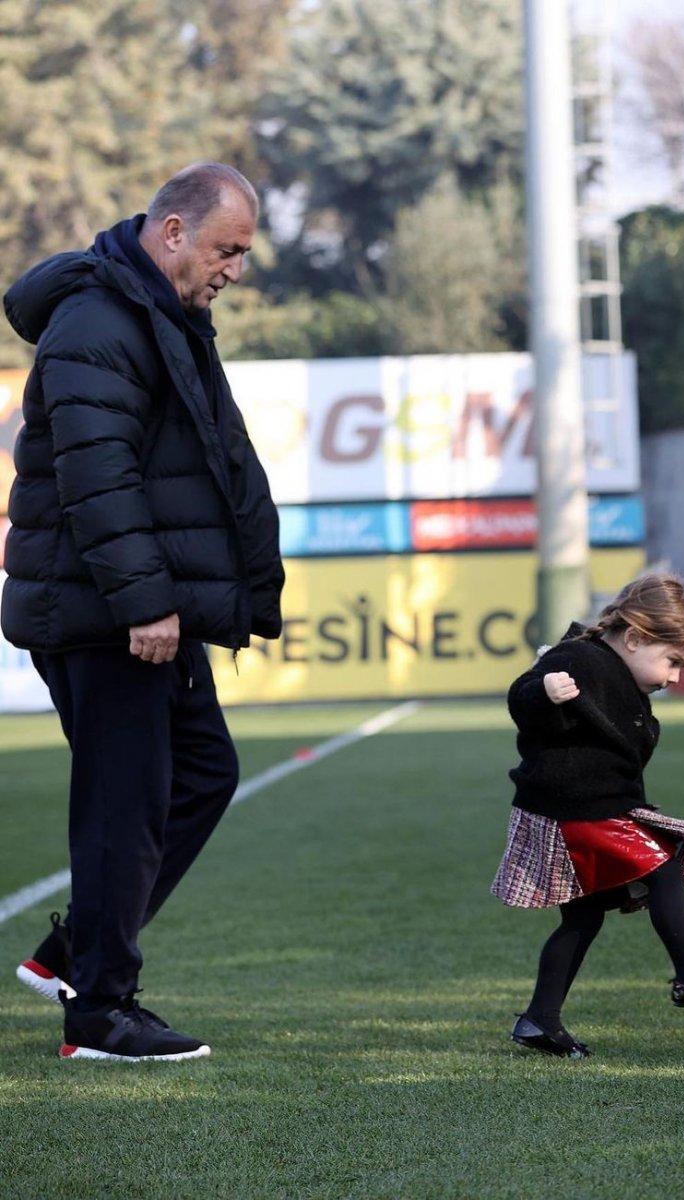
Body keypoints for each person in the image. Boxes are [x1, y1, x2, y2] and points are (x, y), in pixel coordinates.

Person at [2, 162, 284, 1062]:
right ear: (171, 233)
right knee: (122, 808)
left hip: (133, 605)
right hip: (108, 613)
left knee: (202, 771)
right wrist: (149, 602)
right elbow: (97, 477)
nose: (234, 268)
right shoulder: (97, 318)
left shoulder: (159, 313)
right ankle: (101, 1015)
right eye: (225, 249)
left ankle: (76, 955)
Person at [492, 572, 684, 1058]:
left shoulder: (617, 670)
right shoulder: (579, 660)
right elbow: (522, 695)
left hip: (590, 806)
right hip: (574, 808)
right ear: (634, 638)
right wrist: (544, 691)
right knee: (660, 864)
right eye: (673, 661)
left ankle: (539, 1020)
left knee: (582, 918)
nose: (675, 677)